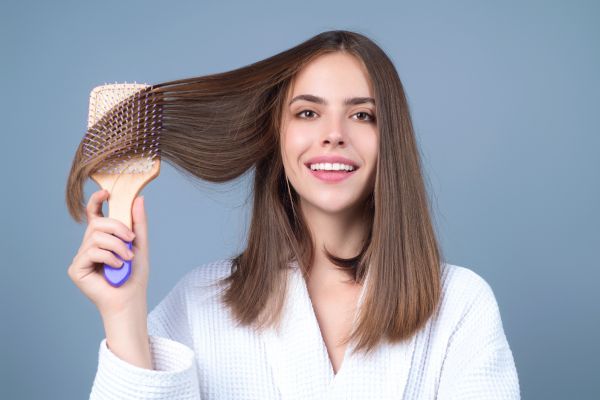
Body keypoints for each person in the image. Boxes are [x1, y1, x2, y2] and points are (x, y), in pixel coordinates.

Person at [66, 30, 520, 399]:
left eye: (363, 116)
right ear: (277, 136)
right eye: (307, 113)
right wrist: (124, 313)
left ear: (391, 141)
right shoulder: (200, 303)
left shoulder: (460, 306)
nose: (333, 135)